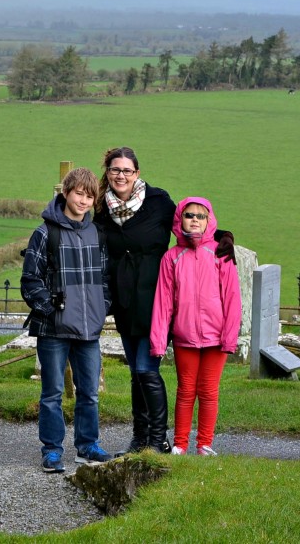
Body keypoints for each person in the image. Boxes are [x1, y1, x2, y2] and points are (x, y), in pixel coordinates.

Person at [94, 147, 236, 455]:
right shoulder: (102, 211)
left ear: (137, 173)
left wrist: (222, 236)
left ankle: (158, 440)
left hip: (155, 298)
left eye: (127, 170)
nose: (121, 176)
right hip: (124, 300)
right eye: (115, 170)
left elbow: (190, 220)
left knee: (146, 369)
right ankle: (140, 439)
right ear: (107, 172)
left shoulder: (157, 202)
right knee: (135, 372)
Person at [21, 167, 113, 473]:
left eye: (90, 196)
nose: (84, 201)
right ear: (66, 193)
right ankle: (52, 450)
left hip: (89, 328)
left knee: (89, 392)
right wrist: (50, 308)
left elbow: (106, 279)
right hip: (53, 329)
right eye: (79, 194)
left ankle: (87, 446)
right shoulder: (45, 233)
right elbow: (30, 280)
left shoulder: (97, 233)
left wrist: (102, 307)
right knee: (52, 394)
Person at [149, 196, 241, 457]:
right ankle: (180, 444)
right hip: (184, 336)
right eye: (189, 215)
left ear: (209, 221)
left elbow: (232, 299)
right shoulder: (172, 257)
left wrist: (229, 337)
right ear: (180, 220)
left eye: (201, 216)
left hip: (216, 337)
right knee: (186, 390)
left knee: (209, 391)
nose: (195, 220)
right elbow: (163, 301)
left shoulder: (221, 254)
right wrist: (158, 341)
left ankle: (204, 444)